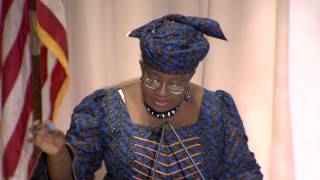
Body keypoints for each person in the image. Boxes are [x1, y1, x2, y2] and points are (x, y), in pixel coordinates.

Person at [30, 14, 263, 180]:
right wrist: (58, 153)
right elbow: (73, 174)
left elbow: (242, 171)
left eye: (174, 85)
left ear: (190, 76)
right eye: (152, 80)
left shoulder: (216, 110)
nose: (161, 92)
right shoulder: (105, 107)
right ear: (142, 67)